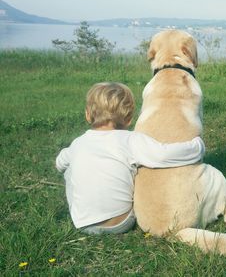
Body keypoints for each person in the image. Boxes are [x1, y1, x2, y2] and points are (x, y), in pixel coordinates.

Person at [56, 82, 205, 235]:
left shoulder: (78, 143)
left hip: (83, 225)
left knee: (69, 169)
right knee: (142, 164)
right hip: (121, 222)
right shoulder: (131, 140)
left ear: (87, 114)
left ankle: (87, 208)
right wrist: (196, 147)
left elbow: (59, 162)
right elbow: (163, 154)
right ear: (129, 119)